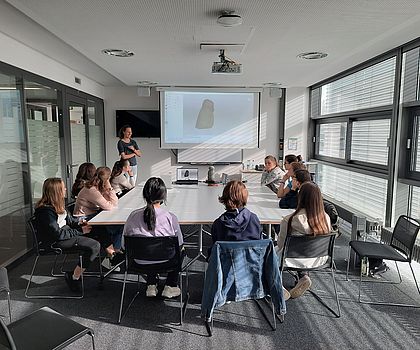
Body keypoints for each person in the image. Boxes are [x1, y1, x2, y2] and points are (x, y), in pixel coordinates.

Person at [34, 178, 100, 292]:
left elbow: (68, 221)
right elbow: (57, 235)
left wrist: (80, 223)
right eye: (63, 188)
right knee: (94, 246)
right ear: (56, 191)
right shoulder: (45, 211)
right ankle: (74, 277)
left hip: (65, 233)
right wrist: (80, 231)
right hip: (55, 242)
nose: (65, 189)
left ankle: (113, 255)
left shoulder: (58, 204)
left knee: (99, 230)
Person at [123, 177, 184, 299]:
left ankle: (151, 284)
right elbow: (179, 243)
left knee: (149, 250)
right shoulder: (170, 217)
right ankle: (170, 286)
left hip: (138, 262)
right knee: (181, 250)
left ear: (145, 195)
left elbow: (124, 244)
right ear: (163, 196)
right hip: (166, 262)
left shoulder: (133, 216)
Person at [277, 182, 332, 299]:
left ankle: (279, 287)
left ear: (300, 197)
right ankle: (304, 277)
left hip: (291, 259)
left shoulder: (290, 220)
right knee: (301, 250)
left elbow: (281, 245)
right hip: (319, 259)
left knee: (269, 254)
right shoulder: (326, 218)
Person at [74, 167, 122, 264]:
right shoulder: (91, 190)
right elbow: (108, 206)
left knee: (117, 227)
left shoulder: (97, 187)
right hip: (82, 219)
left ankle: (113, 254)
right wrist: (109, 188)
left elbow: (114, 202)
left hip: (93, 216)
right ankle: (113, 254)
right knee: (115, 227)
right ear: (107, 179)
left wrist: (109, 189)